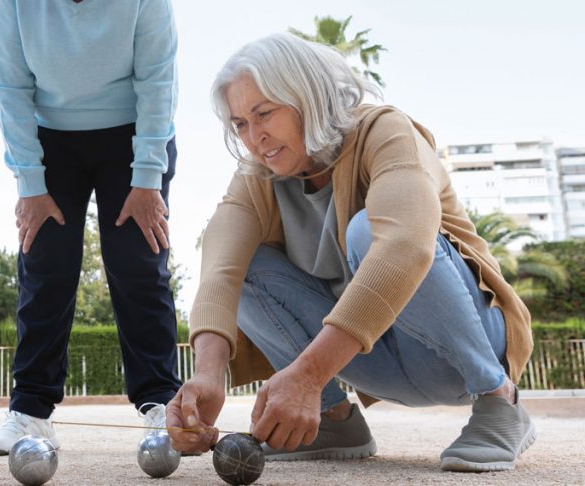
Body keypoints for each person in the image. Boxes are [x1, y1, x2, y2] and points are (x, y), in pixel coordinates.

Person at [166, 33, 535, 473]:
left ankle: (499, 400)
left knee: (370, 230)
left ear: (307, 96)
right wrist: (208, 374)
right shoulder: (257, 174)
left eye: (264, 113)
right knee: (246, 264)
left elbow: (405, 248)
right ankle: (333, 421)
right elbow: (220, 271)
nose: (254, 136)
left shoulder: (386, 131)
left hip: (471, 346)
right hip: (372, 359)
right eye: (240, 123)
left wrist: (307, 374)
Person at [0, 0, 182, 454]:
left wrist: (148, 177)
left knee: (138, 264)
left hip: (135, 133)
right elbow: (10, 86)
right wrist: (29, 183)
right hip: (49, 138)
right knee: (45, 267)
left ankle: (161, 402)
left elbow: (158, 79)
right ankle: (30, 410)